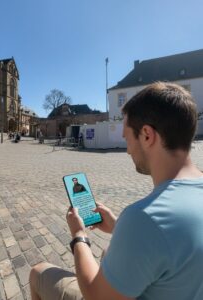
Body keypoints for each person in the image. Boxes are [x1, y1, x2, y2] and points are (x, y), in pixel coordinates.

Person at [30, 82, 203, 300]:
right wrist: (117, 226)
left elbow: (96, 295)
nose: (128, 149)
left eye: (127, 137)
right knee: (107, 253)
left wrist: (78, 236)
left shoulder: (145, 217)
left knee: (37, 272)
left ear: (147, 135)